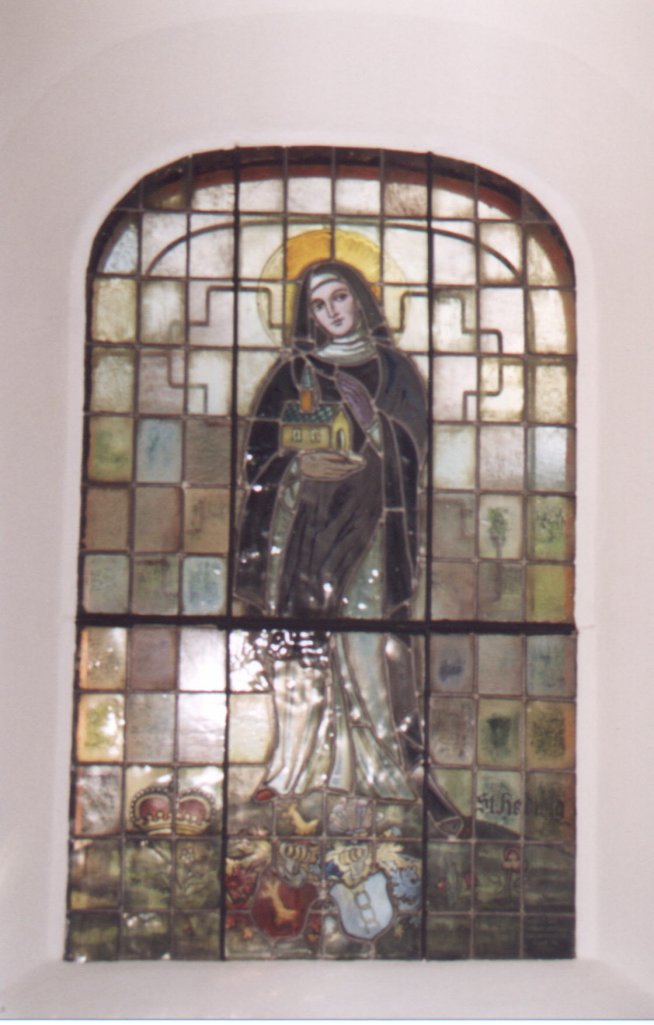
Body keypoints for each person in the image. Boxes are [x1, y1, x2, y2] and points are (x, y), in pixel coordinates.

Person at [236, 260, 460, 830]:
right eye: (318, 304)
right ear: (307, 315)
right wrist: (296, 466)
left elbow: (413, 454)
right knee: (302, 651)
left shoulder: (396, 372)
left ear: (360, 298)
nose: (332, 312)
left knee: (367, 651)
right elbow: (258, 463)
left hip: (373, 534)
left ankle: (383, 776)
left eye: (340, 297)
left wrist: (374, 424)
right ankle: (295, 772)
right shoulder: (292, 374)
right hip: (305, 534)